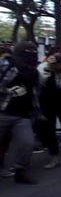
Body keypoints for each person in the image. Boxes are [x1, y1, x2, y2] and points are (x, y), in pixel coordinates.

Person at [0, 41, 40, 184]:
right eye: (28, 52)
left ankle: (20, 171)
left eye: (33, 52)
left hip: (23, 114)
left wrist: (36, 111)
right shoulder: (6, 63)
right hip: (3, 111)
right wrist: (8, 90)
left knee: (27, 143)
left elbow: (34, 92)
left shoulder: (33, 70)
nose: (32, 55)